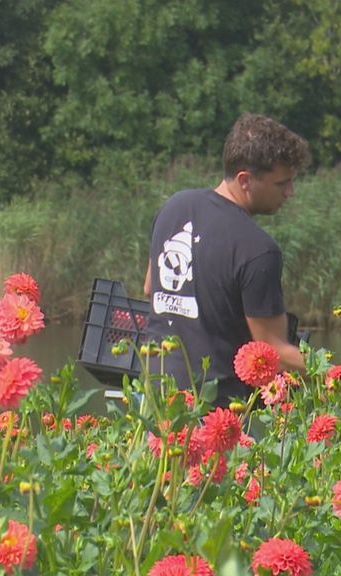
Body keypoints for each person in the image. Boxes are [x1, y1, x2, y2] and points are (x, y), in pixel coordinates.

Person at [144, 113, 311, 406]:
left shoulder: (175, 206)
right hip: (218, 412)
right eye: (281, 183)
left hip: (157, 398)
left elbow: (151, 287)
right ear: (245, 180)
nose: (290, 192)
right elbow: (271, 350)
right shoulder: (259, 249)